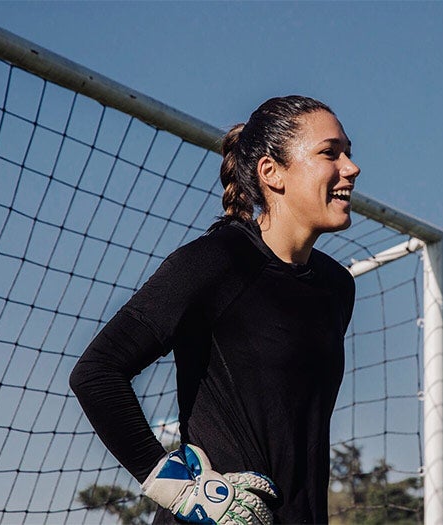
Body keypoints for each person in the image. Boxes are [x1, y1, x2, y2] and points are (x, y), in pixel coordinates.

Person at [69, 95, 360, 524]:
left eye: (349, 154)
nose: (350, 168)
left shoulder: (336, 287)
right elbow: (96, 373)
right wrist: (179, 489)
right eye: (330, 153)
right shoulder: (215, 262)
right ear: (271, 172)